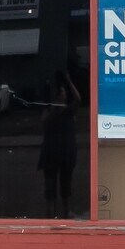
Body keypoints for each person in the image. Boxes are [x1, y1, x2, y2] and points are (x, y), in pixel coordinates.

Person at [37, 67, 80, 218]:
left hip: (63, 152)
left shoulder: (67, 111)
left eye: (62, 92)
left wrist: (68, 81)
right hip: (53, 153)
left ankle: (64, 211)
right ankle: (51, 211)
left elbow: (77, 99)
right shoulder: (53, 112)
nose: (62, 94)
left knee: (64, 183)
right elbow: (44, 120)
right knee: (51, 183)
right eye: (60, 92)